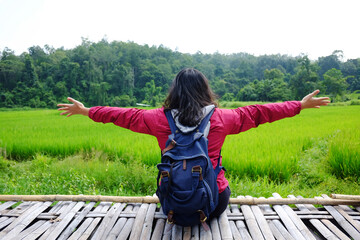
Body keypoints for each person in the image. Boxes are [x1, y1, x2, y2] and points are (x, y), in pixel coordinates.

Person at [57, 68, 330, 218]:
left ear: (174, 91)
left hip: (172, 204)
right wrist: (299, 105)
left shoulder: (157, 119)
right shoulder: (225, 118)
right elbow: (260, 113)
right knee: (221, 180)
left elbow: (121, 116)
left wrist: (86, 111)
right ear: (205, 90)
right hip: (214, 203)